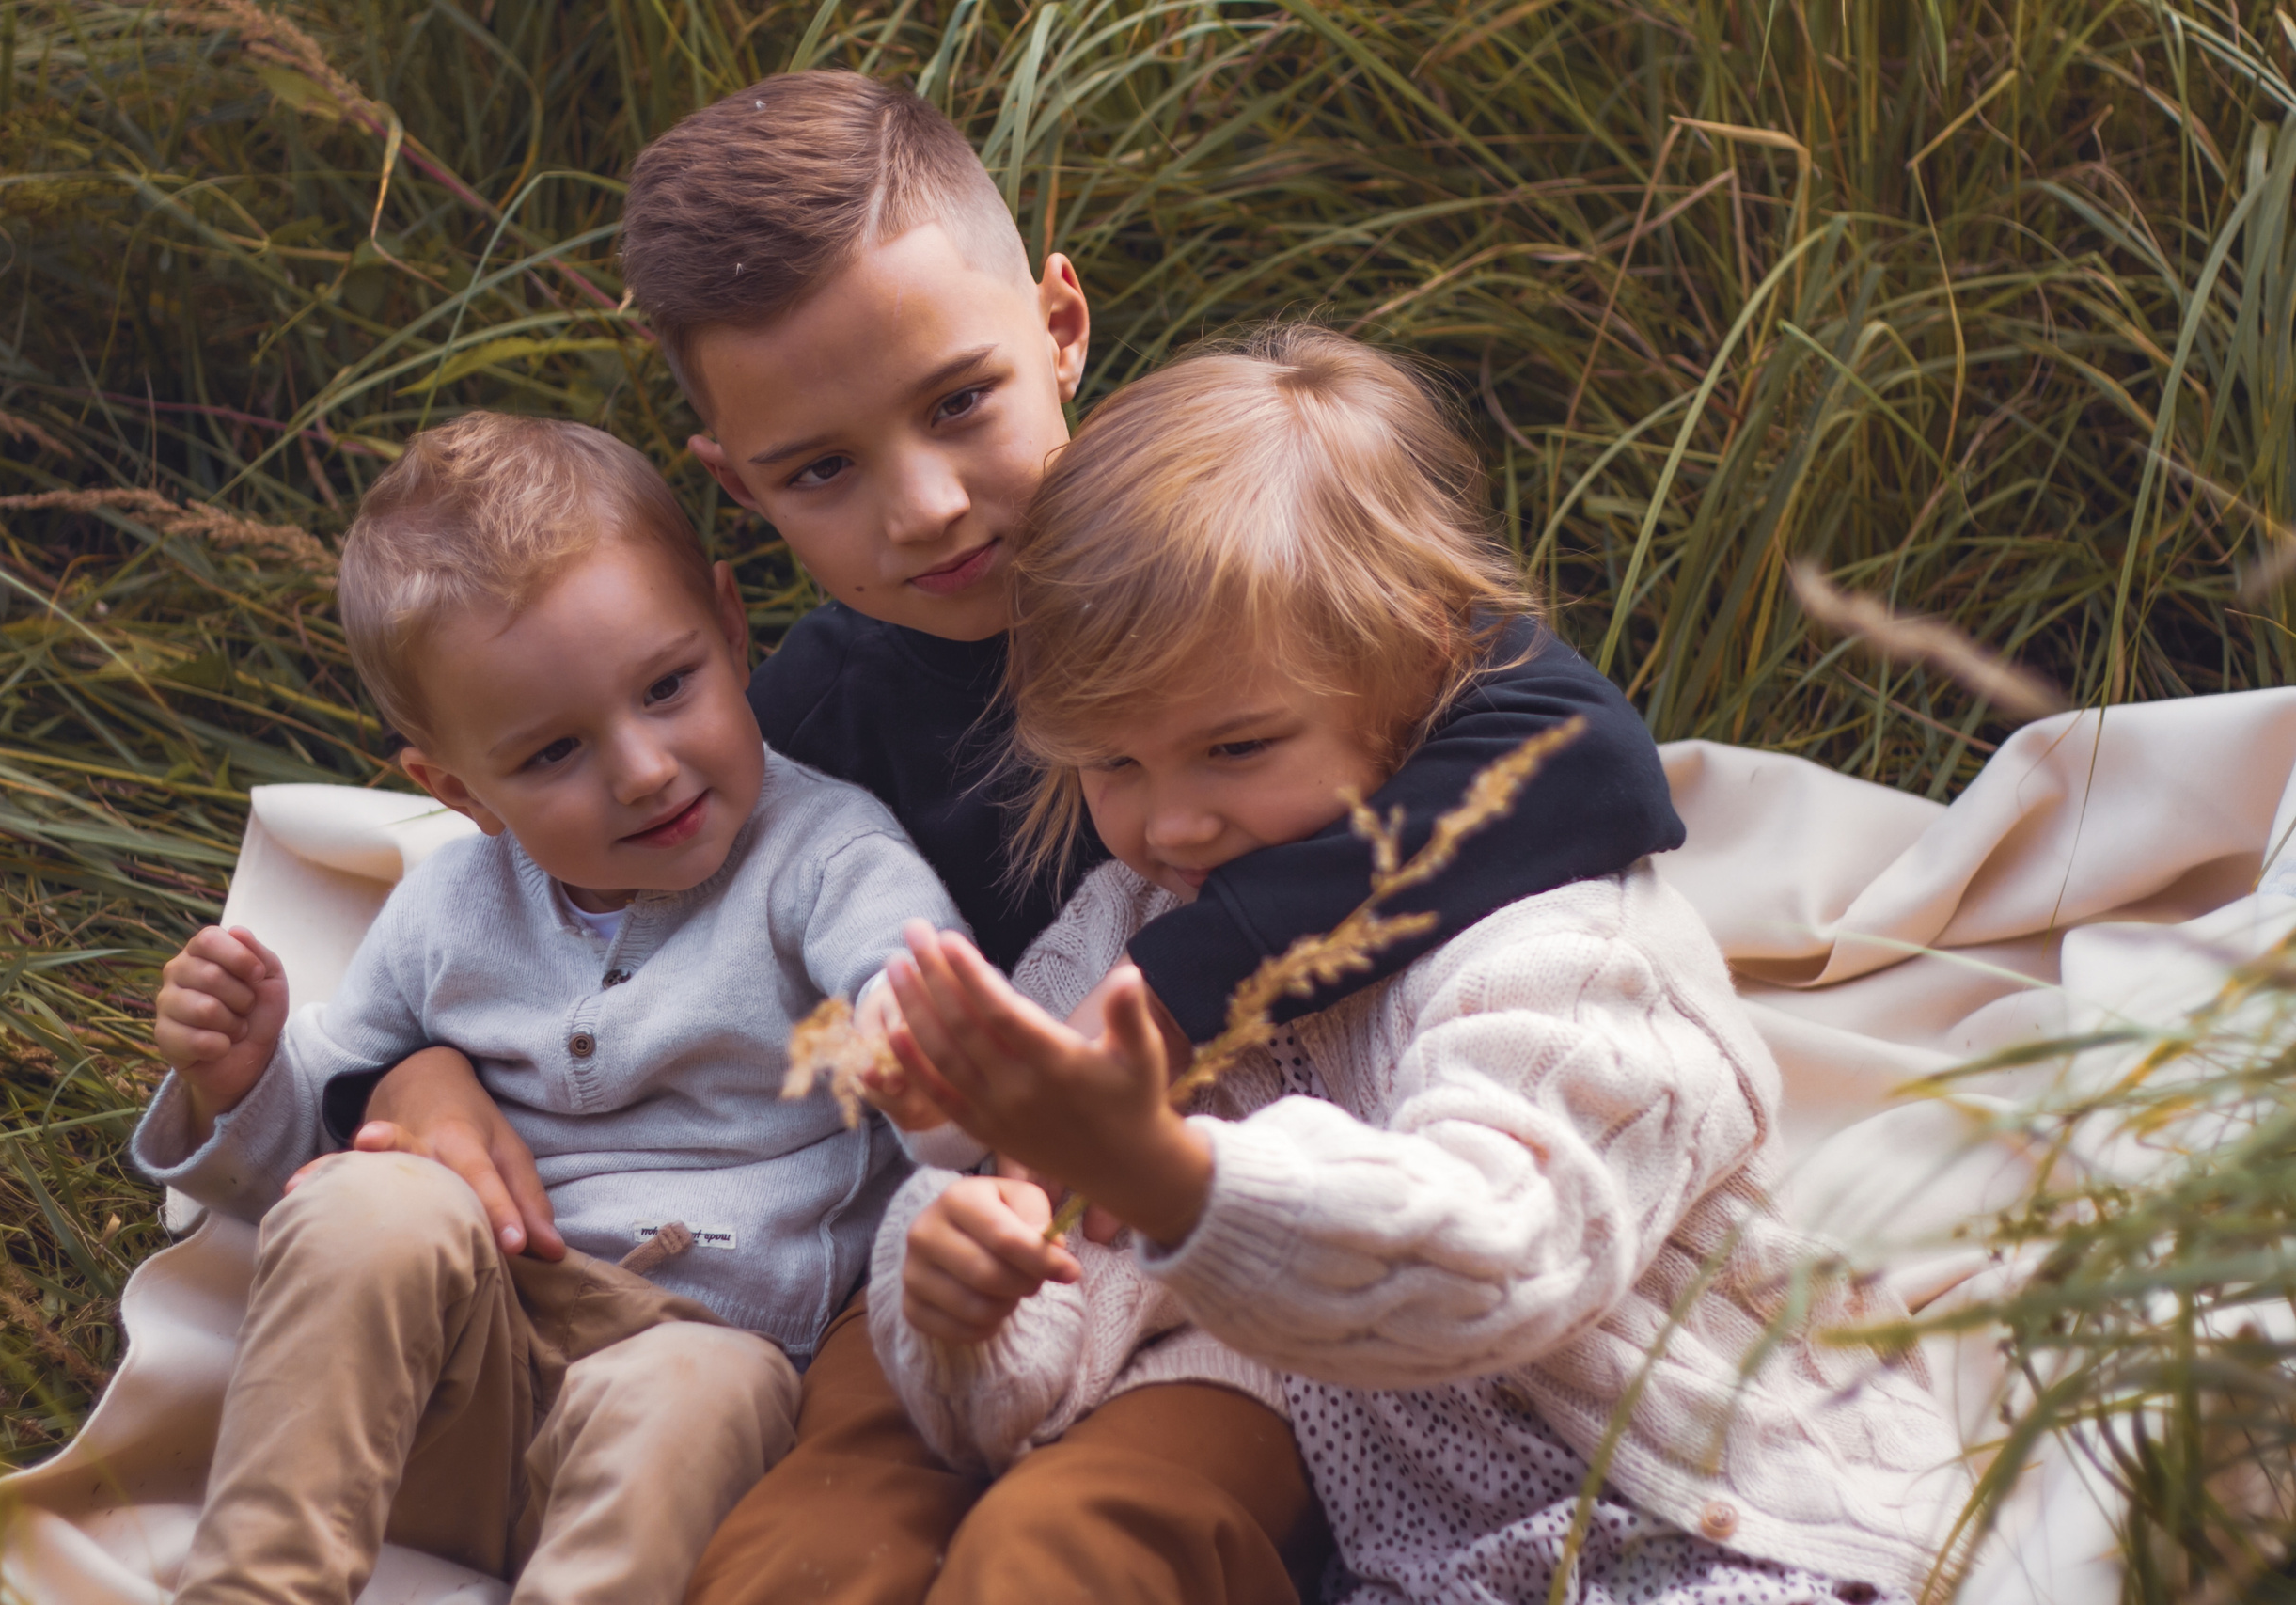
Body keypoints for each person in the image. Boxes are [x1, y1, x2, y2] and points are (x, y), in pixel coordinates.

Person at [352, 68, 1688, 1603]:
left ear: (1059, 326)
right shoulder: (795, 723)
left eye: (958, 402)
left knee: (1083, 1532)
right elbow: (579, 905)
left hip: (1279, 1184)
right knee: (821, 1520)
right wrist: (411, 1064)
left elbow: (1585, 758)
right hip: (952, 1236)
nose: (924, 505)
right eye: (822, 469)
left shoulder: (1221, 544)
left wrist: (1178, 991)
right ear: (740, 485)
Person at [873, 325, 1971, 1605]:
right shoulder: (1120, 936)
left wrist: (1169, 1175)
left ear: (1413, 672)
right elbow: (1049, 1356)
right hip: (1423, 1562)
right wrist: (964, 1300)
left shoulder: (1559, 946)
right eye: (1112, 762)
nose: (1171, 824)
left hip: (1717, 1519)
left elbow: (1501, 1259)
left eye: (1236, 747)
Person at [134, 411, 965, 1605]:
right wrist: (240, 1076)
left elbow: (909, 972)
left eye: (668, 687)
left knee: (708, 1388)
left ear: (732, 631)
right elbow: (317, 1138)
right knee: (366, 1199)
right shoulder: (448, 908)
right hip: (448, 1386)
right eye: (552, 755)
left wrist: (910, 1035)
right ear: (457, 788)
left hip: (686, 1369)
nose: (643, 769)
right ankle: (259, 1582)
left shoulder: (822, 857)